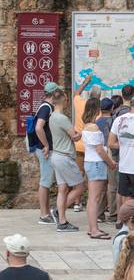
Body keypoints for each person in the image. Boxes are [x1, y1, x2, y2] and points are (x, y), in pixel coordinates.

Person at [82, 97, 117, 240]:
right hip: (97, 163)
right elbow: (100, 150)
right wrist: (111, 163)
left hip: (89, 162)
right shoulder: (94, 127)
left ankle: (92, 228)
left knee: (92, 198)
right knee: (95, 198)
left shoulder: (86, 125)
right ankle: (94, 229)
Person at [49, 92, 84, 232]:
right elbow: (75, 137)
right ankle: (59, 213)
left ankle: (61, 220)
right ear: (63, 100)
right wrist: (81, 133)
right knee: (80, 187)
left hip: (56, 155)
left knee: (62, 189)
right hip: (65, 157)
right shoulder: (63, 118)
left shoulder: (52, 117)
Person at [34, 82, 63, 224]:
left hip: (45, 148)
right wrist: (46, 145)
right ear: (54, 93)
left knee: (46, 181)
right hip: (44, 149)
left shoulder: (47, 107)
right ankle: (44, 215)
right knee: (45, 182)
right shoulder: (46, 108)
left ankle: (45, 213)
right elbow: (39, 127)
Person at [73, 77, 101, 211]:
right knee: (93, 176)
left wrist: (84, 83)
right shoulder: (99, 111)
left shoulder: (80, 103)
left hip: (79, 144)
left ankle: (77, 203)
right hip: (92, 148)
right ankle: (92, 200)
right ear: (99, 97)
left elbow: (76, 94)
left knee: (79, 174)